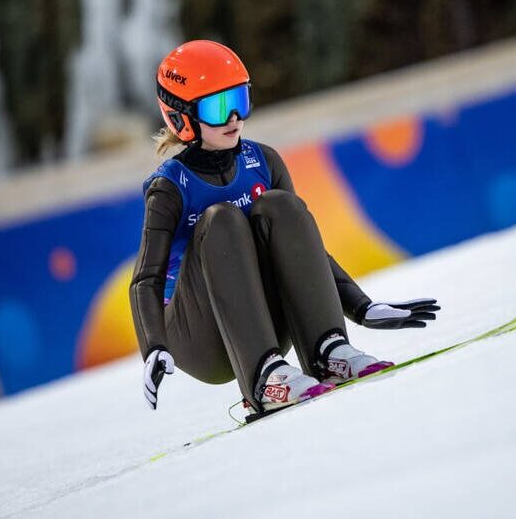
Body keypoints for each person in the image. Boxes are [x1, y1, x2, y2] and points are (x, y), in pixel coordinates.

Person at [130, 40, 440, 416]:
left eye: (240, 100)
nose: (234, 118)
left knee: (281, 206)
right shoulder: (169, 187)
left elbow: (305, 250)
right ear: (181, 117)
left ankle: (328, 351)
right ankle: (262, 381)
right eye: (218, 107)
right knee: (221, 219)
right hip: (199, 338)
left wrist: (362, 306)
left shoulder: (262, 160)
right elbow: (146, 279)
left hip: (263, 321)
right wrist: (153, 346)